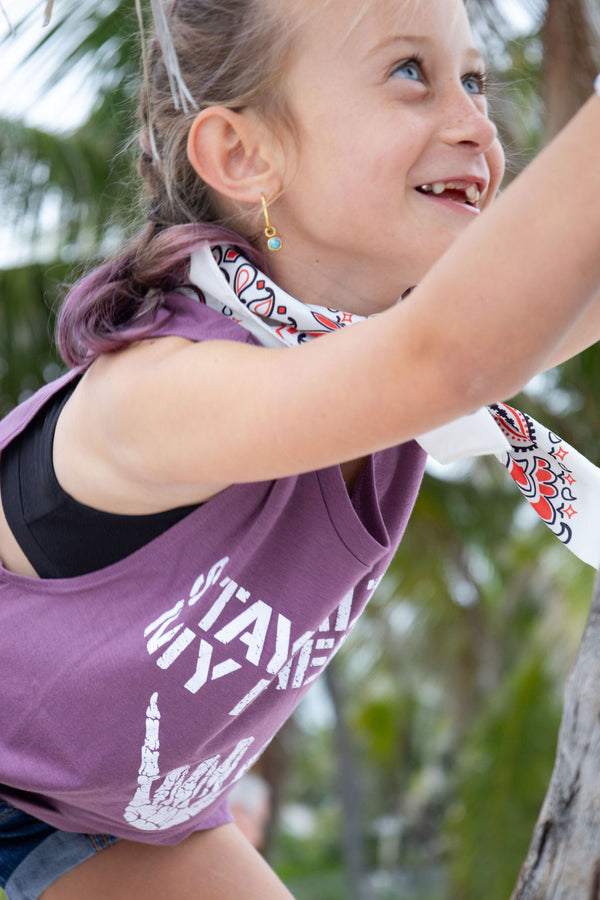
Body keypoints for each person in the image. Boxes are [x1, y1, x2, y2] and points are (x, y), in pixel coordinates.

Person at [0, 0, 599, 897]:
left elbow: (550, 304)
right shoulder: (162, 392)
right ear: (244, 156)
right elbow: (456, 352)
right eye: (411, 73)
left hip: (108, 812)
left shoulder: (368, 367)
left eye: (475, 80)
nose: (477, 124)